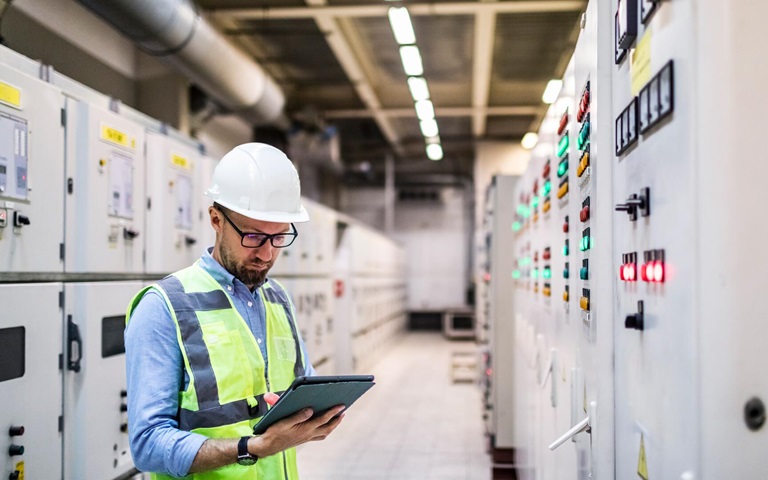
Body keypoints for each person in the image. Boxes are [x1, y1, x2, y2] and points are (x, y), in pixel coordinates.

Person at [125, 143, 344, 479]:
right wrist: (251, 447)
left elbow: (304, 386)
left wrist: (315, 416)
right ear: (216, 220)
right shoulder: (163, 307)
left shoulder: (277, 298)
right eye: (254, 236)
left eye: (280, 236)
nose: (267, 254)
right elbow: (147, 445)